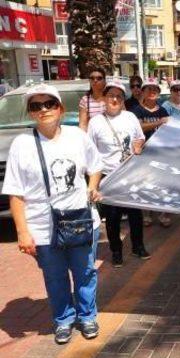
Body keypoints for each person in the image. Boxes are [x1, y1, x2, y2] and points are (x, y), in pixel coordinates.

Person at [1, 84, 103, 344]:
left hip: (80, 219)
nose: (44, 109)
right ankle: (63, 320)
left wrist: (92, 187)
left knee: (85, 272)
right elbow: (15, 193)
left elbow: (95, 167)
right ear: (31, 113)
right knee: (55, 277)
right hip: (43, 226)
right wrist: (23, 232)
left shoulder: (77, 137)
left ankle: (87, 316)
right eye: (36, 106)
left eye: (49, 104)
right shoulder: (21, 145)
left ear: (60, 108)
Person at [87, 80, 150, 267]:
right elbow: (90, 150)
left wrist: (138, 146)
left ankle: (138, 246)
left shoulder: (130, 117)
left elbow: (140, 137)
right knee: (112, 217)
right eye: (111, 96)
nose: (114, 99)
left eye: (118, 96)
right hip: (108, 176)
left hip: (130, 173)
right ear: (104, 99)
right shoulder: (96, 122)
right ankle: (116, 251)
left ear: (123, 100)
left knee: (135, 214)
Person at [132, 79, 170, 227]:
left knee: (163, 184)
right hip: (145, 152)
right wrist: (160, 122)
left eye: (155, 89)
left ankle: (163, 214)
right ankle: (147, 214)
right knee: (145, 183)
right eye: (149, 89)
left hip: (162, 152)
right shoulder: (137, 110)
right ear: (143, 92)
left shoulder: (162, 110)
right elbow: (140, 128)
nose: (152, 92)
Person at [78, 67, 107, 131]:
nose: (95, 80)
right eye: (92, 78)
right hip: (92, 138)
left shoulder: (111, 98)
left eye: (99, 78)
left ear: (104, 81)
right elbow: (82, 124)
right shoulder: (85, 100)